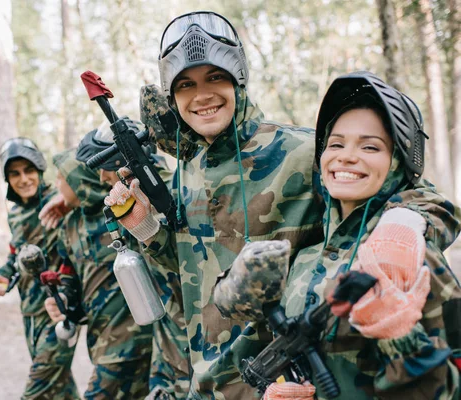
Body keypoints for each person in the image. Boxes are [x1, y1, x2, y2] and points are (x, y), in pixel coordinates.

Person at [105, 11, 461, 399]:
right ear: (172, 96)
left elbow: (421, 196)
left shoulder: (303, 151)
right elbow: (196, 271)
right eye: (186, 84)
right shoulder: (187, 171)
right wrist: (146, 229)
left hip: (281, 383)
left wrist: (402, 227)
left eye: (215, 77)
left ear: (238, 80)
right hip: (205, 384)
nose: (202, 95)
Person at [271, 72, 461, 399]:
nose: (346, 156)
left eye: (370, 146)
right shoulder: (304, 258)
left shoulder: (406, 254)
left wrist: (401, 340)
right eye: (336, 143)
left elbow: (448, 387)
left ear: (397, 163)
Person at [75, 122, 191, 399]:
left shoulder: (167, 196)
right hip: (165, 353)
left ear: (118, 161)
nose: (101, 178)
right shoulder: (136, 196)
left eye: (103, 169)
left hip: (188, 355)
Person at [46, 148, 153, 399]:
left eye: (61, 177)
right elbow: (69, 276)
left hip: (131, 341)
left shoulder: (120, 211)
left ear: (77, 181)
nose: (56, 184)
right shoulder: (70, 225)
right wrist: (62, 299)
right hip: (100, 342)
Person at [0, 137, 79, 400]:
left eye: (28, 170)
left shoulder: (61, 202)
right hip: (31, 313)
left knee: (39, 386)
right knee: (60, 385)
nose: (23, 179)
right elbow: (15, 255)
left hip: (59, 310)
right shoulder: (15, 214)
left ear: (39, 170)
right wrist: (1, 275)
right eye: (14, 174)